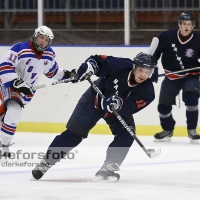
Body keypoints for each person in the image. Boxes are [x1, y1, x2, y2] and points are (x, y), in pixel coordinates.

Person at [31, 52, 156, 182]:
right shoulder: (121, 65)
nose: (143, 75)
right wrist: (90, 67)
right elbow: (98, 60)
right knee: (73, 134)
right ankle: (46, 162)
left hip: (116, 110)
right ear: (134, 67)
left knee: (127, 134)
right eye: (141, 70)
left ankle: (107, 169)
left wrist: (119, 103)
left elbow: (132, 106)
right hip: (93, 100)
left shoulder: (148, 91)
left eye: (148, 72)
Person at [0, 25, 76, 157]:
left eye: (46, 40)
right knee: (15, 111)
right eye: (41, 38)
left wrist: (68, 75)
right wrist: (15, 81)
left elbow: (52, 71)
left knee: (8, 114)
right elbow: (5, 65)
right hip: (9, 85)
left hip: (26, 91)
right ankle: (3, 146)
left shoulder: (49, 54)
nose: (43, 41)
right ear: (35, 37)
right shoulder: (20, 48)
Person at [150, 12, 200, 144]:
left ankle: (192, 130)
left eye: (189, 24)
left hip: (191, 75)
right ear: (180, 24)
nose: (187, 26)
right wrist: (152, 67)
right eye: (184, 24)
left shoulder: (198, 39)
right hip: (171, 76)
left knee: (191, 99)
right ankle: (167, 129)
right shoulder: (167, 36)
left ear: (193, 25)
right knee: (163, 107)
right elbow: (154, 50)